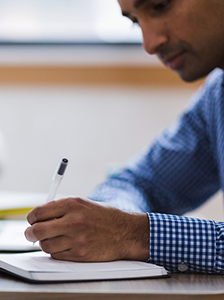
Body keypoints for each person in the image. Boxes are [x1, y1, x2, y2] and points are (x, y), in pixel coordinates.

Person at [24, 0, 224, 274]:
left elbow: (130, 227)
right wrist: (104, 222)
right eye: (134, 21)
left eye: (160, 5)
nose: (150, 44)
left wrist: (132, 234)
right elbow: (140, 183)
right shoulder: (217, 97)